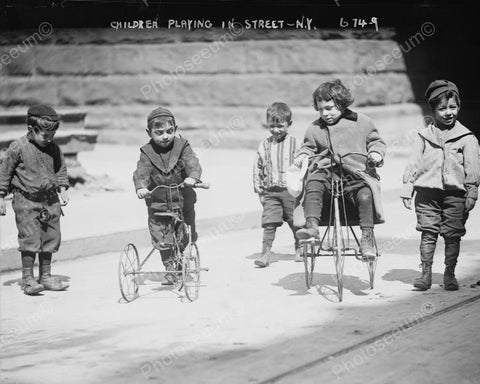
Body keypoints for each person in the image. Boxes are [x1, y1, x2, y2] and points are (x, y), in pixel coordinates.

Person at [401, 80, 480, 291]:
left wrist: (472, 192)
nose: (448, 113)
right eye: (442, 108)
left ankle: (449, 274)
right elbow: (413, 163)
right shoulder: (423, 137)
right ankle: (425, 273)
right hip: (426, 194)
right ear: (432, 110)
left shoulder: (467, 138)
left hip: (455, 196)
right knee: (428, 232)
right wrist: (407, 189)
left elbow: (473, 168)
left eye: (452, 107)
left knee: (452, 235)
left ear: (459, 107)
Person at [294, 80, 386, 259]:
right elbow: (308, 147)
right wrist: (303, 154)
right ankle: (312, 227)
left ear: (342, 104)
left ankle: (367, 237)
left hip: (355, 171)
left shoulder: (363, 122)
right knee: (313, 183)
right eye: (320, 109)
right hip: (326, 170)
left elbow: (376, 142)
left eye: (329, 108)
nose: (325, 114)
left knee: (366, 193)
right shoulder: (314, 128)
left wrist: (376, 154)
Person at [0, 105, 70, 295]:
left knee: (51, 237)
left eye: (52, 135)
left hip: (50, 201)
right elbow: (4, 172)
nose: (48, 139)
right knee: (30, 239)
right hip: (26, 201)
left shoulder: (54, 148)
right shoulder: (18, 147)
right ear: (31, 129)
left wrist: (62, 188)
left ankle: (45, 277)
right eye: (44, 135)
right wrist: (1, 195)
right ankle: (28, 279)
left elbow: (60, 169)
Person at [133, 107, 201, 283]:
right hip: (159, 202)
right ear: (149, 133)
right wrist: (141, 186)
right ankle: (170, 267)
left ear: (175, 129)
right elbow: (142, 171)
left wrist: (193, 177)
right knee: (162, 237)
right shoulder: (147, 152)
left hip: (182, 198)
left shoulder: (182, 146)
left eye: (169, 131)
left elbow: (192, 162)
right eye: (159, 132)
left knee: (184, 234)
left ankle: (181, 263)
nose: (165, 136)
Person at [253, 102, 302, 267]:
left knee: (295, 221)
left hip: (291, 192)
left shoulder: (296, 144)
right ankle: (265, 253)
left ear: (289, 124)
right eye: (272, 125)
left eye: (280, 126)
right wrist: (259, 191)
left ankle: (300, 247)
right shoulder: (264, 145)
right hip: (271, 192)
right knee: (269, 222)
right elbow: (257, 168)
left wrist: (302, 189)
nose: (276, 129)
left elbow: (304, 167)